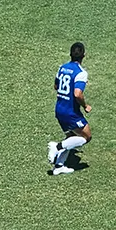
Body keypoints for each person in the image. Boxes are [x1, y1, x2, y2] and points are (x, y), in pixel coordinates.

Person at [47, 41, 91, 176]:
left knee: (71, 137)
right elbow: (77, 93)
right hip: (71, 112)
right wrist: (85, 106)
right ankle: (57, 147)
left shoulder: (62, 68)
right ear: (84, 55)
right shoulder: (81, 73)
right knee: (86, 137)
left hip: (59, 108)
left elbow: (56, 86)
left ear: (70, 54)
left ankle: (59, 166)